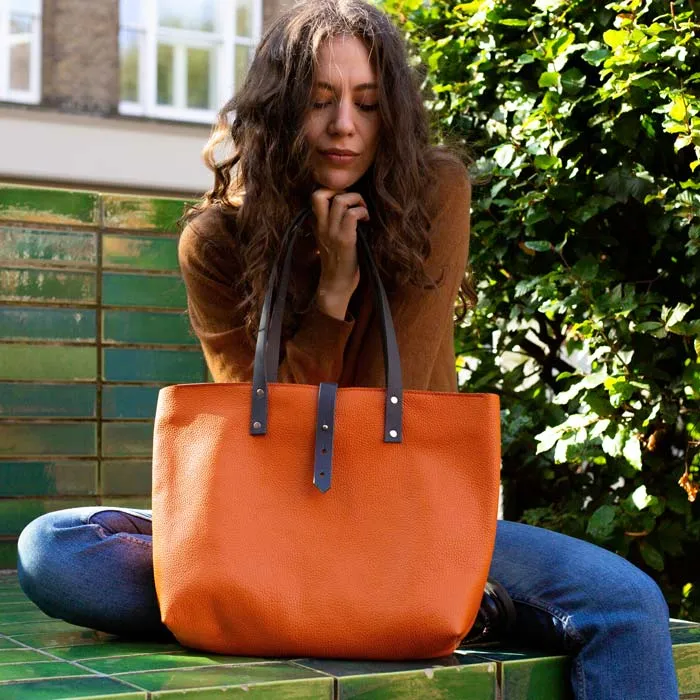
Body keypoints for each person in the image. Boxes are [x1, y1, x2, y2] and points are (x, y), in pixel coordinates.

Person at [16, 1, 679, 698]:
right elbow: (256, 427)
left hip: (408, 519)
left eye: (366, 104)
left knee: (627, 602)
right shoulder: (217, 242)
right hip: (265, 520)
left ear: (388, 113)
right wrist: (330, 296)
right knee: (57, 550)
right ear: (276, 111)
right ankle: (395, 605)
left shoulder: (432, 192)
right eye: (319, 102)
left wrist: (358, 277)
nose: (344, 127)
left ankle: (303, 601)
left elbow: (393, 416)